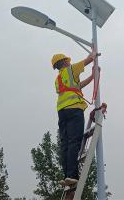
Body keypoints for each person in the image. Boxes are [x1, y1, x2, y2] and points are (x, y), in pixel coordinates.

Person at [51, 48, 98, 186]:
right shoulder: (71, 70)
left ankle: (67, 175)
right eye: (67, 60)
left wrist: (92, 76)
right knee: (74, 142)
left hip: (62, 112)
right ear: (65, 61)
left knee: (65, 144)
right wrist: (94, 51)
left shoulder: (58, 79)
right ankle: (72, 175)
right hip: (74, 109)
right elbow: (89, 59)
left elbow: (78, 86)